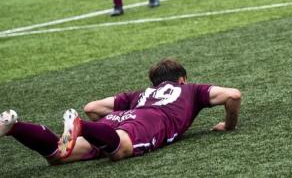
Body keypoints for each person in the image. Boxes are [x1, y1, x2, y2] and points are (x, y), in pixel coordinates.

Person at [0, 58, 241, 165]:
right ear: (182, 79)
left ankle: (14, 127)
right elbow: (233, 95)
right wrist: (228, 125)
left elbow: (92, 108)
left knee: (59, 154)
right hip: (150, 121)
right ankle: (81, 126)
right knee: (120, 151)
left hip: (119, 118)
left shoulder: (139, 94)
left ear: (154, 82)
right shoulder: (190, 89)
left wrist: (107, 124)